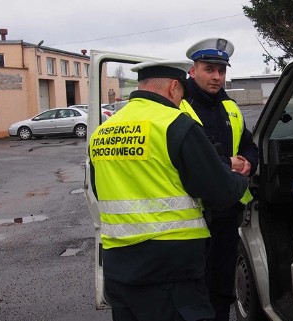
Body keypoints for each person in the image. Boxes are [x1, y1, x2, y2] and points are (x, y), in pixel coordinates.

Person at [88, 60, 248, 321]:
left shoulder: (104, 131)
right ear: (175, 88)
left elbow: (99, 190)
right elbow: (219, 191)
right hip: (170, 271)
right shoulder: (176, 124)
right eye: (182, 93)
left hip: (119, 267)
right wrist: (239, 177)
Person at [180, 38, 259, 321]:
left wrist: (249, 161)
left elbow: (248, 144)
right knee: (195, 287)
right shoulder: (178, 107)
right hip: (192, 217)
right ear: (193, 70)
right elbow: (182, 159)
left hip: (227, 211)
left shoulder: (230, 107)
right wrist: (228, 163)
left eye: (221, 71)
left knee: (223, 285)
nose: (216, 77)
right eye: (209, 69)